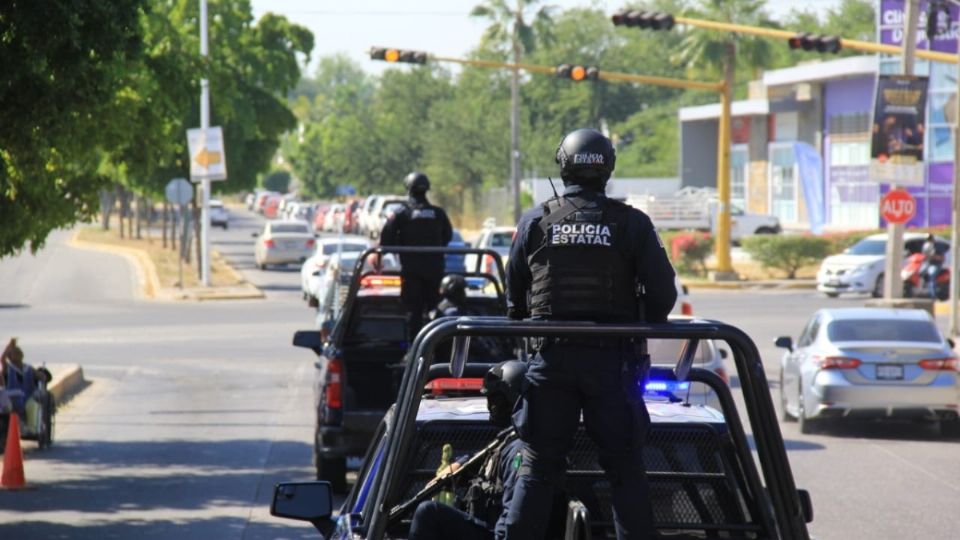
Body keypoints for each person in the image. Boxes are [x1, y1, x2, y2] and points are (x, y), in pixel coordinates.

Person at [503, 128, 677, 540]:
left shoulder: (535, 221)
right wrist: (637, 324)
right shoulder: (632, 224)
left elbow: (514, 301)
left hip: (551, 363)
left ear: (562, 166)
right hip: (613, 364)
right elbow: (663, 296)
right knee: (624, 468)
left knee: (539, 465)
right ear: (608, 168)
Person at [408, 361, 528, 540]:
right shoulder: (507, 440)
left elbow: (513, 517)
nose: (490, 407)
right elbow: (485, 461)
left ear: (513, 398)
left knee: (429, 513)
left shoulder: (520, 449)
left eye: (495, 399)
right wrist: (458, 467)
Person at [380, 172, 453, 340]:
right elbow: (447, 237)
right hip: (435, 270)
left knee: (413, 311)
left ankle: (414, 349)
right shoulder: (438, 213)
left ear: (408, 188)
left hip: (411, 271)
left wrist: (401, 245)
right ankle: (437, 345)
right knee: (434, 308)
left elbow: (386, 241)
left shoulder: (400, 213)